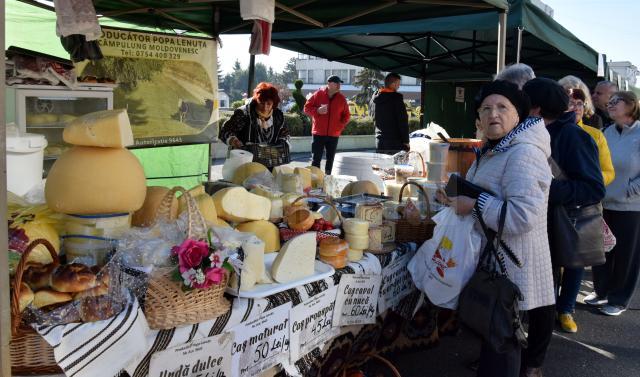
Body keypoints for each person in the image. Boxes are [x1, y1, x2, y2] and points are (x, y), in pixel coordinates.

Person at [439, 80, 555, 377]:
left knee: (502, 340)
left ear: (518, 116)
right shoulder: (498, 148)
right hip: (497, 258)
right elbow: (486, 189)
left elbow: (521, 216)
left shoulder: (523, 153)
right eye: (486, 108)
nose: (494, 114)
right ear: (478, 118)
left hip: (511, 262)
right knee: (496, 337)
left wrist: (472, 204)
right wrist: (455, 192)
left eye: (503, 107)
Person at [523, 78, 604, 373]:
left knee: (543, 299)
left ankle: (533, 363)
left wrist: (546, 189)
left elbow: (593, 188)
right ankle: (511, 351)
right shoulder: (527, 132)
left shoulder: (572, 136)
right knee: (520, 295)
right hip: (524, 227)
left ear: (535, 107)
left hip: (553, 231)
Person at [547, 87, 614, 333]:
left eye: (579, 102)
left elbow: (606, 172)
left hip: (578, 208)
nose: (574, 106)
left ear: (584, 106)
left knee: (575, 260)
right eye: (569, 101)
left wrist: (571, 190)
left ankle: (566, 309)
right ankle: (548, 309)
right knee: (550, 264)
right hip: (553, 209)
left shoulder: (593, 134)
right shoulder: (544, 132)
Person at [588, 91, 640, 316]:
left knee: (626, 255)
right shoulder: (606, 132)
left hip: (631, 207)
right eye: (610, 102)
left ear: (632, 106)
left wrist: (631, 191)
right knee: (600, 251)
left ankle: (618, 300)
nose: (610, 104)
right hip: (603, 203)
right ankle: (601, 291)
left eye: (616, 101)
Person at [304, 75, 351, 175]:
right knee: (316, 159)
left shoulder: (342, 99)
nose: (339, 85)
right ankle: (315, 180)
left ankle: (328, 180)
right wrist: (317, 110)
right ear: (329, 84)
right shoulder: (318, 94)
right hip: (318, 133)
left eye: (340, 83)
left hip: (334, 134)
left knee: (330, 160)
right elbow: (306, 108)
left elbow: (347, 116)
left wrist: (340, 126)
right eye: (337, 83)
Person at [220, 82, 289, 149]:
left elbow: (284, 134)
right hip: (244, 158)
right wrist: (234, 141)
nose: (265, 107)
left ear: (273, 103)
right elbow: (225, 131)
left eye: (268, 104)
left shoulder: (278, 117)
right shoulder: (243, 114)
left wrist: (282, 142)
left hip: (270, 158)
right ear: (257, 100)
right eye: (261, 103)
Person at [370, 72, 409, 154]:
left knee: (381, 165)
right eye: (398, 84)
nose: (399, 86)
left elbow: (372, 116)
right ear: (393, 84)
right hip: (394, 141)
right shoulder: (396, 98)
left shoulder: (374, 98)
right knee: (394, 166)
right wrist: (406, 141)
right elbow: (402, 121)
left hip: (379, 140)